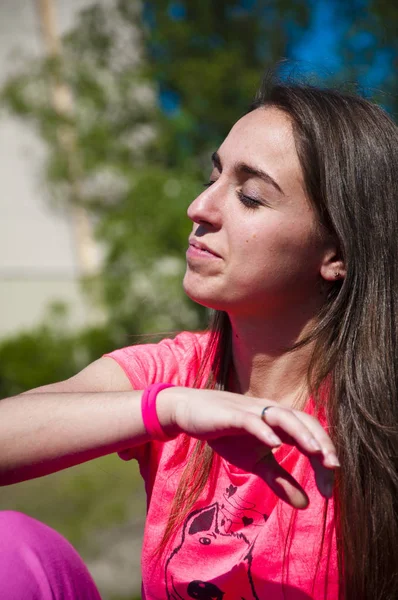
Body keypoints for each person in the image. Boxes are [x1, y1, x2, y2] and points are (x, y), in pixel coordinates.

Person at [0, 77, 397, 600]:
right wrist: (167, 409)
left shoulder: (380, 413)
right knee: (11, 546)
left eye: (250, 197)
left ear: (337, 252)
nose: (199, 207)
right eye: (213, 176)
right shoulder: (177, 373)